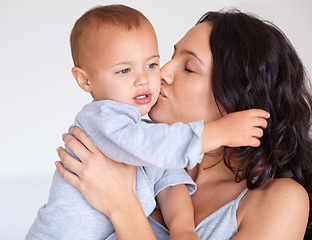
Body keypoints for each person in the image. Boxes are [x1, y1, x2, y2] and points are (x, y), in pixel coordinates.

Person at [56, 9, 312, 240]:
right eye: (169, 57)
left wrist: (122, 207)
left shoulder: (281, 200)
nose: (162, 73)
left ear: (232, 98)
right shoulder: (139, 153)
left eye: (188, 68)